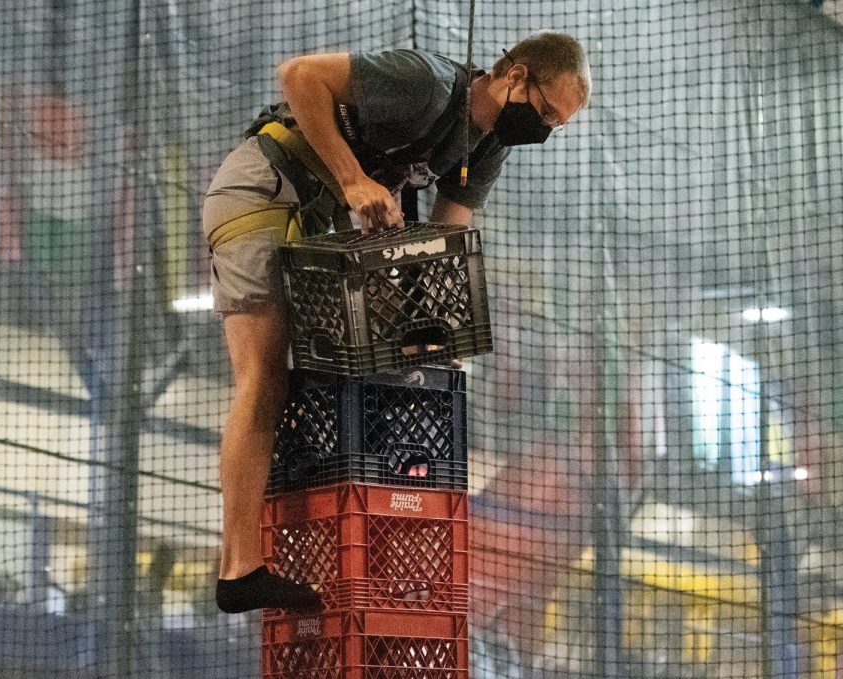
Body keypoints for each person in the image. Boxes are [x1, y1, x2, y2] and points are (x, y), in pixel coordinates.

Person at [204, 31, 592, 614]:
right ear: (515, 76)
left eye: (556, 125)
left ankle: (351, 557)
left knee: (354, 374)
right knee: (263, 377)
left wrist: (435, 330)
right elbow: (299, 75)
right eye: (544, 112)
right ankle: (238, 570)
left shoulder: (486, 146)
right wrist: (353, 179)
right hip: (265, 190)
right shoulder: (425, 83)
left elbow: (447, 235)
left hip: (321, 226)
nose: (544, 129)